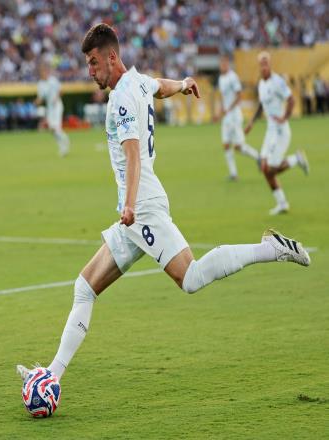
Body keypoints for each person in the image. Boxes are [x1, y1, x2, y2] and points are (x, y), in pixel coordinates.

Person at [17, 25, 310, 390]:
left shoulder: (121, 99)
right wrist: (184, 83)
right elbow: (160, 86)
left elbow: (133, 155)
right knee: (84, 287)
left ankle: (270, 249)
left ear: (111, 57)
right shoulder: (138, 81)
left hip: (141, 208)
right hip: (139, 206)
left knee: (191, 278)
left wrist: (129, 206)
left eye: (93, 62)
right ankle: (52, 376)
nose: (89, 71)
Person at [245, 52, 309, 215]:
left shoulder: (278, 81)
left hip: (280, 131)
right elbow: (261, 105)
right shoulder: (261, 83)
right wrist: (252, 122)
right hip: (270, 130)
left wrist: (284, 117)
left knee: (271, 169)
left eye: (266, 63)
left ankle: (296, 159)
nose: (264, 67)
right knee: (265, 169)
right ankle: (282, 204)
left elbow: (291, 100)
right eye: (261, 64)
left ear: (270, 64)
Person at [216, 55, 259, 180]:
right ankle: (233, 174)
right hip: (226, 117)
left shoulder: (233, 77)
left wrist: (228, 109)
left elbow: (239, 96)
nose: (223, 66)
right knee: (226, 144)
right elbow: (223, 97)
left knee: (239, 146)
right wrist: (220, 112)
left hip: (234, 115)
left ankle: (259, 157)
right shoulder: (221, 78)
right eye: (221, 64)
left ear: (228, 64)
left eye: (224, 64)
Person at [35, 64, 70, 157]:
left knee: (56, 127)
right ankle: (62, 143)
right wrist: (36, 102)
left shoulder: (53, 80)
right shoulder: (40, 84)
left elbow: (61, 91)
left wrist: (56, 98)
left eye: (45, 71)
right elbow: (41, 97)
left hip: (57, 105)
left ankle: (64, 144)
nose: (44, 73)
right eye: (42, 72)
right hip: (49, 108)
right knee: (51, 129)